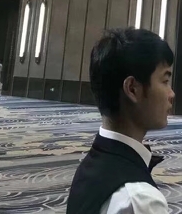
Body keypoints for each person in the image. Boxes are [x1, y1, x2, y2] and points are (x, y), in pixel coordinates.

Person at [67, 28, 175, 214]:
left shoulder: (92, 165)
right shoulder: (140, 200)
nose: (171, 94)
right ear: (132, 89)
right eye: (165, 81)